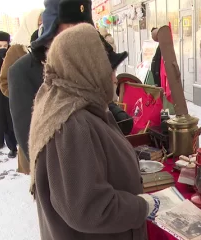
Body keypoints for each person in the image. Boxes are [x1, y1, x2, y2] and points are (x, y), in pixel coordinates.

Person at [29, 23, 160, 240]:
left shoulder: (72, 103)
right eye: (108, 69)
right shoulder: (71, 123)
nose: (115, 78)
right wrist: (141, 207)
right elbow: (88, 207)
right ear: (86, 69)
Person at [8, 0, 128, 162]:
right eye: (72, 30)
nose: (80, 37)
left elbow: (96, 96)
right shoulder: (22, 72)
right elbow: (31, 142)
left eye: (85, 28)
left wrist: (119, 117)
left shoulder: (86, 58)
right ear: (52, 31)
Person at [0, 8, 43, 97]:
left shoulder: (51, 45)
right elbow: (4, 82)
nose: (43, 28)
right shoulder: (17, 49)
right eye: (40, 24)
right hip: (28, 107)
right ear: (31, 24)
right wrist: (21, 98)